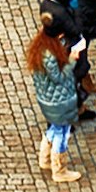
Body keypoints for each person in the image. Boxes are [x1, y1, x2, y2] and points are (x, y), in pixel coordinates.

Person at [24, 17, 80, 182]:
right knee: (62, 133)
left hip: (48, 99)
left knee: (55, 129)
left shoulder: (41, 47)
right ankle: (59, 169)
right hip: (58, 101)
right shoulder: (49, 54)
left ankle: (45, 159)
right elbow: (59, 78)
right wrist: (71, 60)